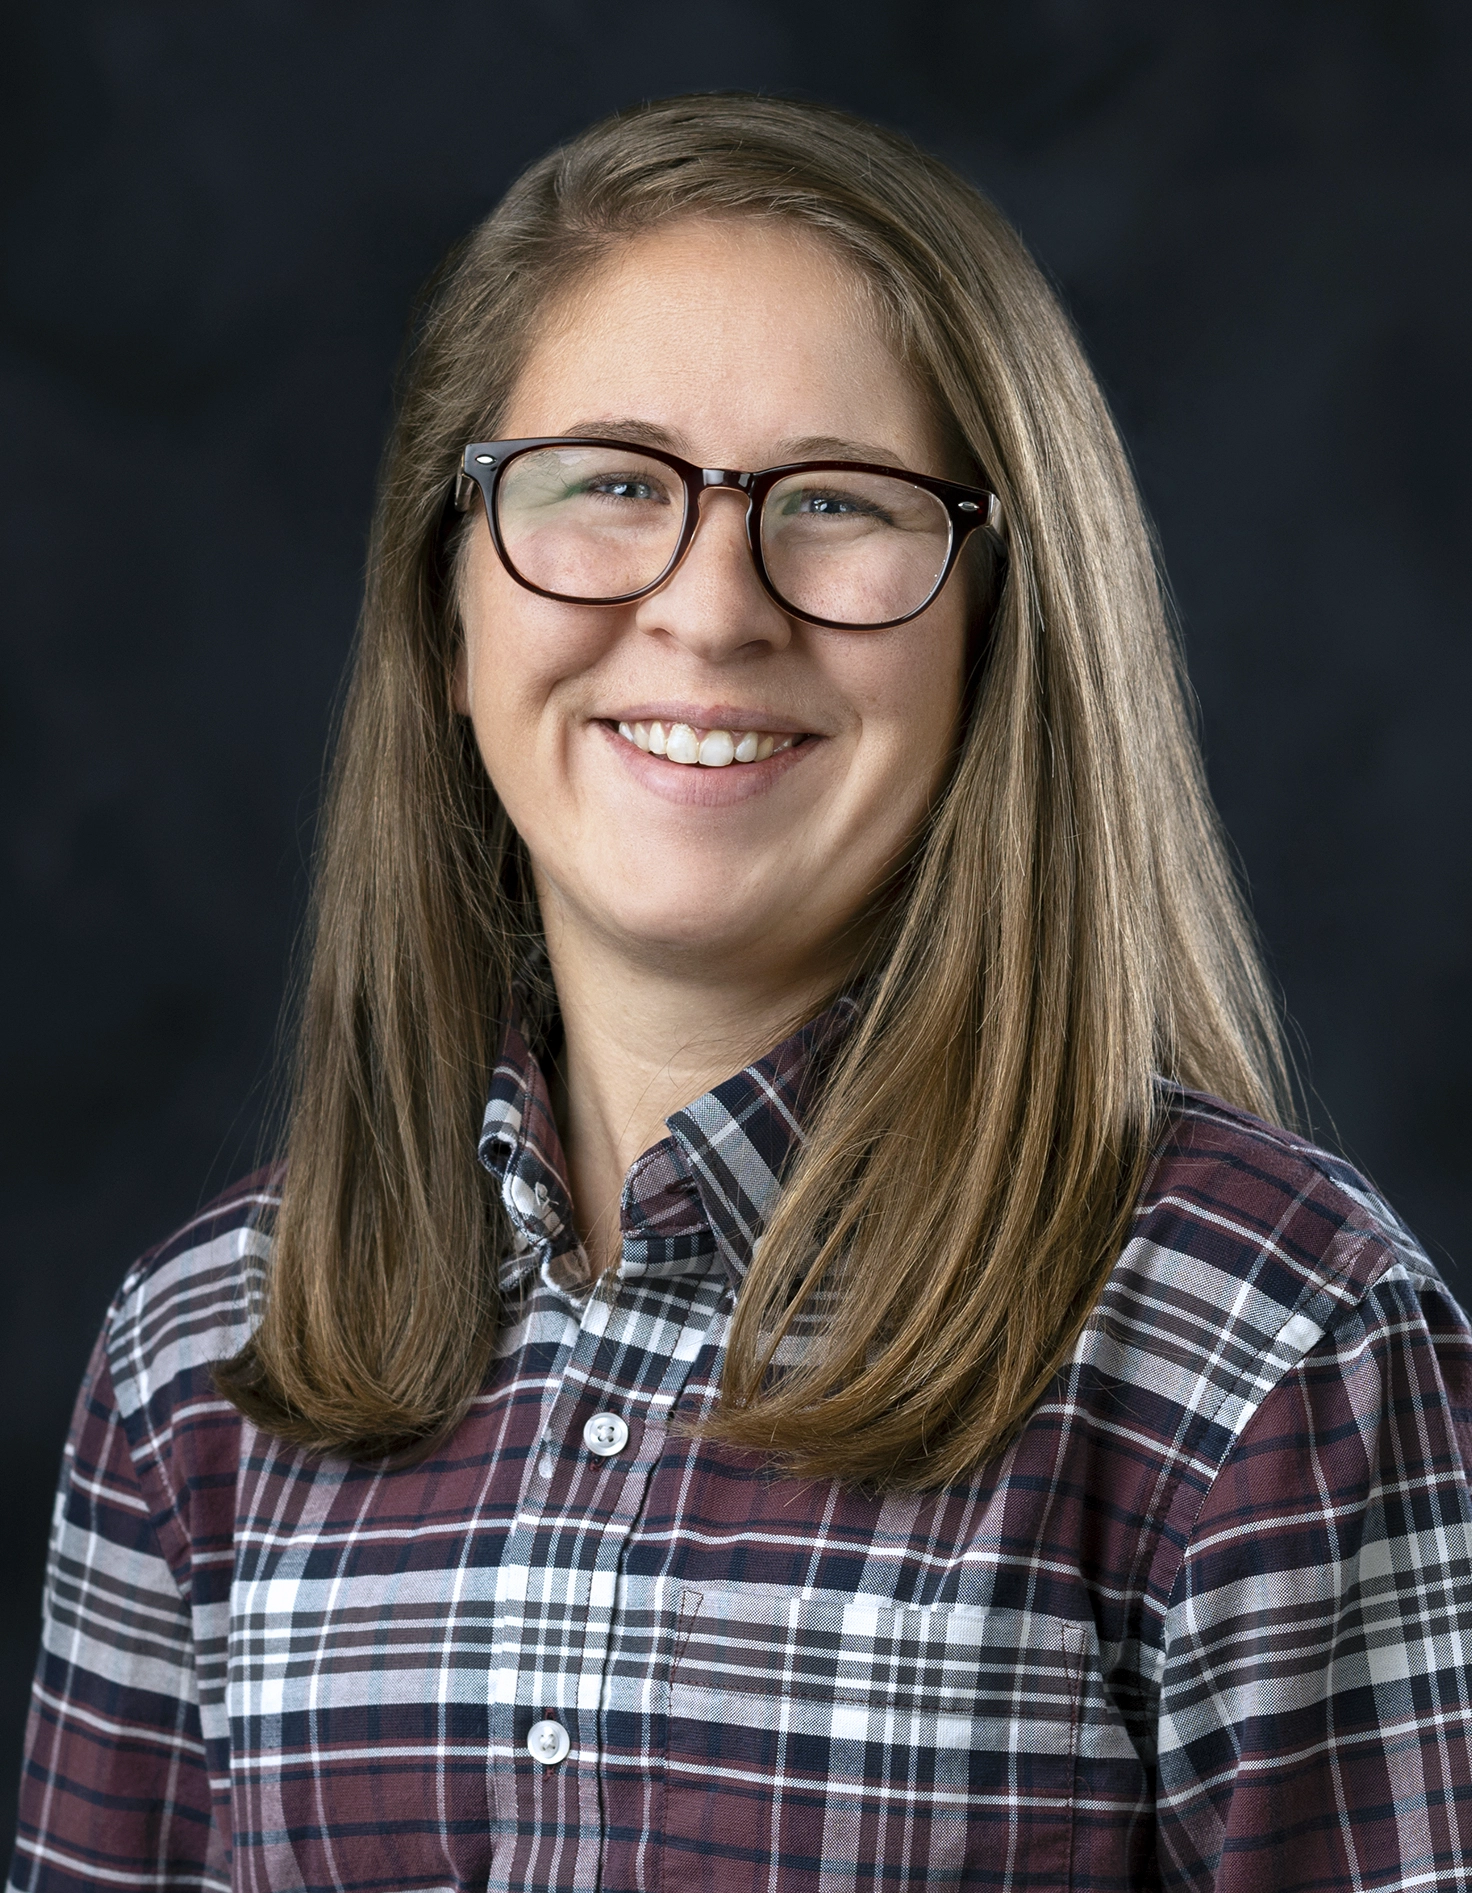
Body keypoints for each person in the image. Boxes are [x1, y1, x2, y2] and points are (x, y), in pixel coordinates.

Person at [11, 93, 1471, 1893]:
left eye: (837, 502)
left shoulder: (1270, 1352)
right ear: (445, 610)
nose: (711, 610)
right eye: (610, 483)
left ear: (1002, 633)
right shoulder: (195, 1368)